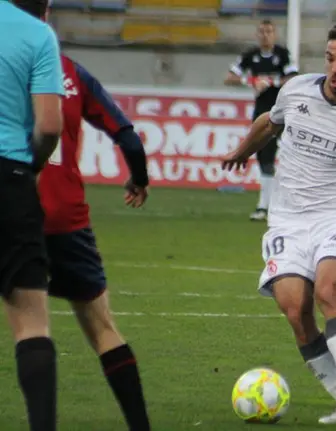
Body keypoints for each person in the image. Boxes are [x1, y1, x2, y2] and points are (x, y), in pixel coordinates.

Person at [221, 22, 336, 425]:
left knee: (330, 291)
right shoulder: (294, 90)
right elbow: (267, 123)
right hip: (287, 220)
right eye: (330, 58)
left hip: (335, 215)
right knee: (295, 309)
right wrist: (242, 151)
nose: (335, 68)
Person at [13, 1, 154, 429]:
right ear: (48, 11)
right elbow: (127, 136)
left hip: (16, 205)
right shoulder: (70, 70)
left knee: (27, 323)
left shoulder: (5, 60)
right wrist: (139, 178)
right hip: (67, 219)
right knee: (101, 327)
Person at [0, 0, 64, 429]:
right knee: (29, 318)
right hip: (10, 177)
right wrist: (34, 164)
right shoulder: (38, 34)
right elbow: (50, 124)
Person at [224, 19, 299, 221]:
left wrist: (271, 82)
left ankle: (293, 204)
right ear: (257, 35)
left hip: (286, 112)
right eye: (262, 31)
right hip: (262, 113)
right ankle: (263, 207)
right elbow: (229, 77)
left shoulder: (282, 54)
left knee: (295, 155)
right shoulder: (251, 56)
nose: (265, 35)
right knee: (264, 157)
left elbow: (293, 78)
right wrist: (251, 81)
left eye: (269, 31)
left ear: (275, 34)